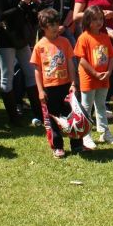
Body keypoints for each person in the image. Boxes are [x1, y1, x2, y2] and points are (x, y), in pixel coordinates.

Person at [31, 9, 82, 158]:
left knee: (72, 116)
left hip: (66, 85)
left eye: (56, 23)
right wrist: (40, 91)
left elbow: (71, 64)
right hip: (49, 88)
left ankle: (76, 144)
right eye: (50, 24)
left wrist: (74, 83)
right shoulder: (39, 46)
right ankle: (57, 146)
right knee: (53, 119)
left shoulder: (65, 42)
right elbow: (37, 70)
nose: (54, 27)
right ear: (43, 27)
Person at [74, 6, 113, 149]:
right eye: (94, 19)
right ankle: (86, 135)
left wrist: (109, 72)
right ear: (87, 21)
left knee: (101, 105)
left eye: (100, 19)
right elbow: (81, 59)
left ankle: (104, 131)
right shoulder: (83, 38)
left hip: (104, 78)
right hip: (89, 79)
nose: (99, 22)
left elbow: (111, 56)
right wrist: (94, 73)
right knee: (87, 106)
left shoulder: (105, 37)